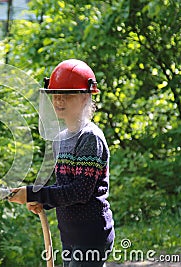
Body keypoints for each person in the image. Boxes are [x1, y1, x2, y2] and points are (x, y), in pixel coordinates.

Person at [9, 59, 115, 267]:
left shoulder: (90, 138)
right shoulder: (61, 139)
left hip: (91, 235)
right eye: (55, 95)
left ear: (85, 97)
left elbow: (80, 192)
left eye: (66, 95)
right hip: (70, 234)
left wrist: (33, 193)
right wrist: (44, 202)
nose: (59, 101)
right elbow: (63, 188)